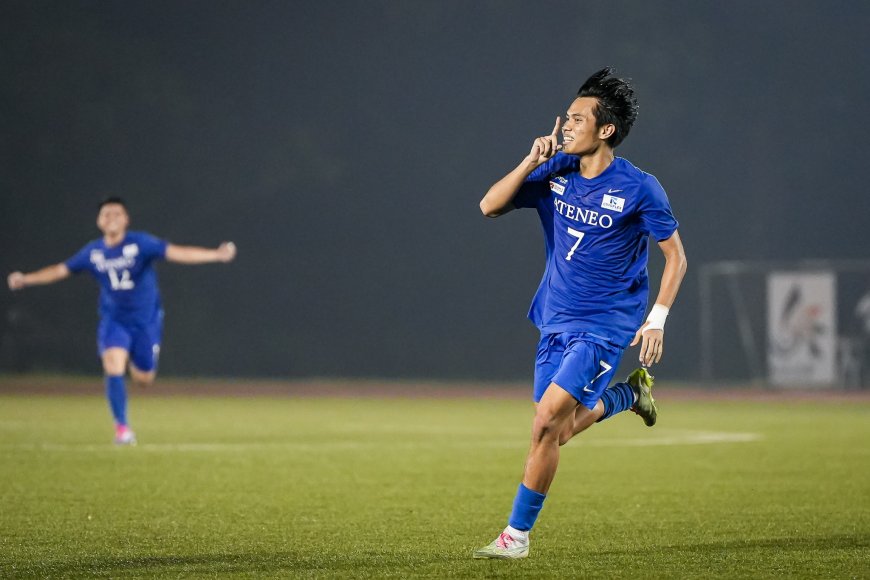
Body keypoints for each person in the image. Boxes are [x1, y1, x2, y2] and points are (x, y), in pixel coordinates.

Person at [473, 68, 687, 559]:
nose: (565, 125)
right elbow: (489, 206)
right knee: (560, 429)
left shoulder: (640, 187)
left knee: (546, 421)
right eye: (566, 117)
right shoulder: (556, 171)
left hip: (606, 324)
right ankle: (629, 395)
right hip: (555, 318)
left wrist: (656, 319)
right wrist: (531, 160)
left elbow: (676, 256)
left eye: (577, 119)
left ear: (605, 129)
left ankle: (515, 537)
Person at [7, 197, 237, 445]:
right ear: (99, 221)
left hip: (146, 321)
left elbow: (178, 252)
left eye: (117, 214)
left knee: (143, 379)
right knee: (113, 365)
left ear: (126, 219)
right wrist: (26, 279)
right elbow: (60, 270)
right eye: (106, 214)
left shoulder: (141, 243)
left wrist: (215, 255)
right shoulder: (93, 252)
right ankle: (122, 429)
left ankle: (138, 366)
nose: (112, 218)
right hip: (114, 321)